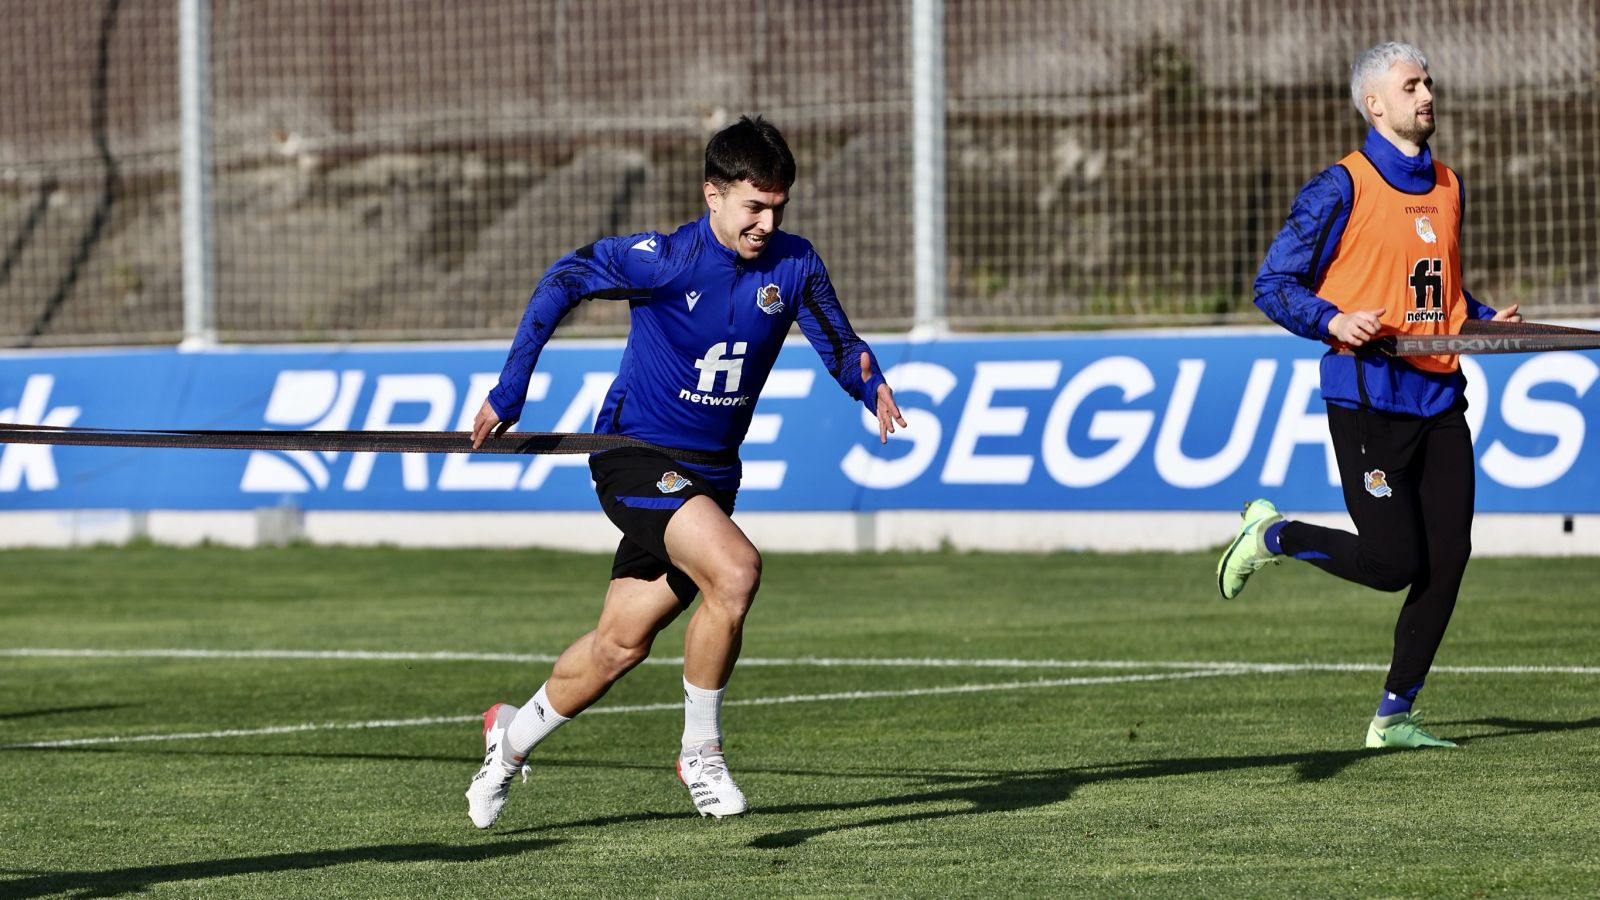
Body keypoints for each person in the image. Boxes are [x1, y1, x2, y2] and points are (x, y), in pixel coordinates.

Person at [463, 115, 907, 827]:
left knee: (618, 646)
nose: (767, 222)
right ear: (713, 194)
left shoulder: (795, 266)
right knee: (735, 572)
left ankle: (507, 741)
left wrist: (869, 382)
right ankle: (700, 752)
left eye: (777, 208)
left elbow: (839, 341)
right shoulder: (664, 258)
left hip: (710, 479)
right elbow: (563, 279)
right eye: (753, 206)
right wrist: (511, 388)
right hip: (635, 459)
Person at [1216, 42, 1522, 750]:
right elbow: (1274, 285)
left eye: (1428, 81)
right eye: (1411, 85)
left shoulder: (1450, 184)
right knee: (1395, 566)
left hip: (1441, 397)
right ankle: (1273, 535)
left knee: (1449, 559)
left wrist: (1475, 315)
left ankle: (1395, 715)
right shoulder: (1338, 188)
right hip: (1367, 398)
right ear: (1374, 104)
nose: (1427, 93)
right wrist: (1331, 319)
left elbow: (1432, 285)